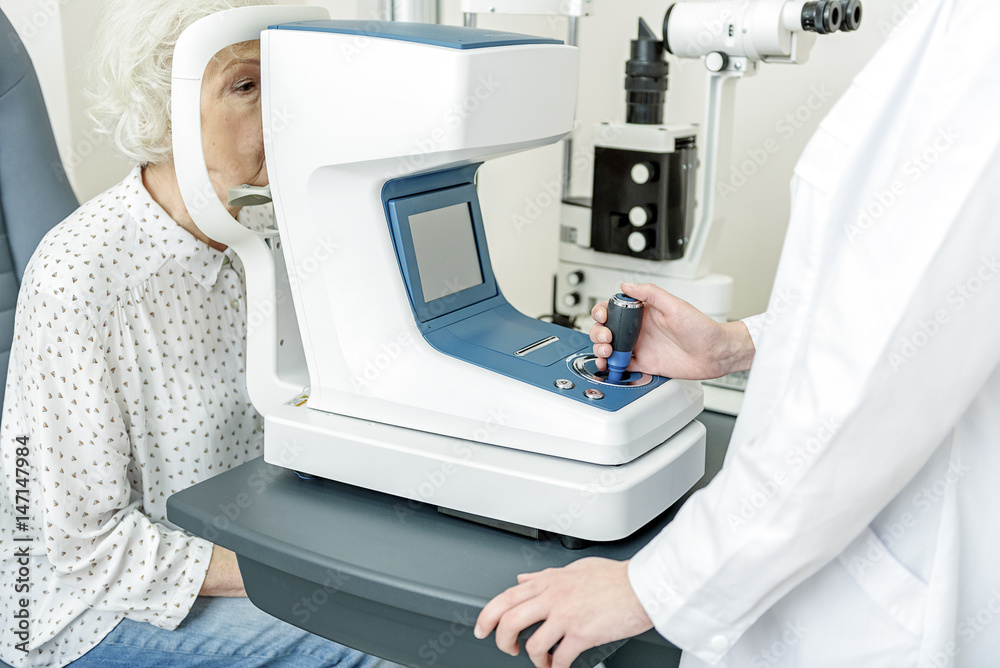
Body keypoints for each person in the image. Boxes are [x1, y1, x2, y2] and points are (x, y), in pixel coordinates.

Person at [474, 0, 1000, 666]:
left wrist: (652, 585)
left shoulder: (984, 39)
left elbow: (881, 364)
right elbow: (924, 306)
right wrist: (735, 345)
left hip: (884, 598)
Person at [0, 1, 396, 667]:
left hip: (236, 550)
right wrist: (302, 571)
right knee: (378, 648)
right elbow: (86, 550)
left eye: (285, 81)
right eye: (244, 86)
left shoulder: (271, 233)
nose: (280, 112)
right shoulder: (83, 274)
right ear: (165, 109)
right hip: (88, 606)